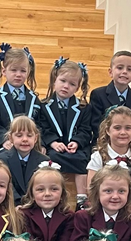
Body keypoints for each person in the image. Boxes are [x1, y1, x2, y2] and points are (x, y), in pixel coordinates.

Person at [38, 58, 92, 205]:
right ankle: (56, 198)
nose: (66, 86)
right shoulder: (43, 105)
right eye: (63, 81)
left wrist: (76, 142)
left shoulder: (83, 107)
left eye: (72, 84)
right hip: (55, 149)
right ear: (55, 80)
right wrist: (53, 142)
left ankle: (81, 199)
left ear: (77, 87)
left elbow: (86, 130)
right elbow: (42, 128)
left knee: (82, 160)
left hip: (75, 149)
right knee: (51, 158)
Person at [18, 163, 74, 241]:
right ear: (31, 193)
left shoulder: (68, 216)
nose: (47, 194)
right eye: (40, 189)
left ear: (63, 193)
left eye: (54, 189)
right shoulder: (23, 214)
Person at [87, 105, 131, 206]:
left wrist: (126, 205)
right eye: (117, 128)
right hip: (102, 205)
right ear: (107, 130)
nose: (123, 132)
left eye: (128, 128)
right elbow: (90, 187)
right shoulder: (98, 157)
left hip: (128, 206)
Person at [0, 44, 40, 154]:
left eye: (23, 71)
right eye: (13, 70)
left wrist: (40, 144)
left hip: (29, 147)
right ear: (4, 71)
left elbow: (40, 125)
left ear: (28, 71)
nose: (18, 74)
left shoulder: (34, 99)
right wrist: (4, 140)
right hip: (6, 146)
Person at [89, 50, 131, 141]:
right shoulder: (98, 94)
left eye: (129, 69)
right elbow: (96, 125)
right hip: (103, 144)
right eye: (120, 68)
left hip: (129, 145)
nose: (124, 72)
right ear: (110, 72)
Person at [0, 116, 47, 203]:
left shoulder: (43, 161)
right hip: (10, 205)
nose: (24, 139)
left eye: (29, 135)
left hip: (35, 206)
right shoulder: (2, 159)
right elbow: (7, 185)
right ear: (10, 138)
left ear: (35, 138)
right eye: (19, 135)